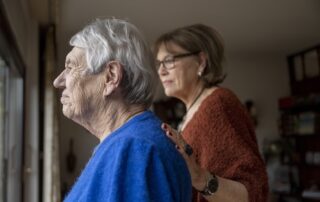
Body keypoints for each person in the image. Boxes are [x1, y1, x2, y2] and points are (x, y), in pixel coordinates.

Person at [53, 18, 192, 202]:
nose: (58, 81)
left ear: (111, 77)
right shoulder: (127, 144)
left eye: (70, 67)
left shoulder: (133, 149)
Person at [154, 24, 268, 202]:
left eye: (169, 60)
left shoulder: (218, 103)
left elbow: (252, 192)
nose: (161, 70)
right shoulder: (189, 114)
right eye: (159, 63)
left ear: (201, 61)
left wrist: (199, 177)